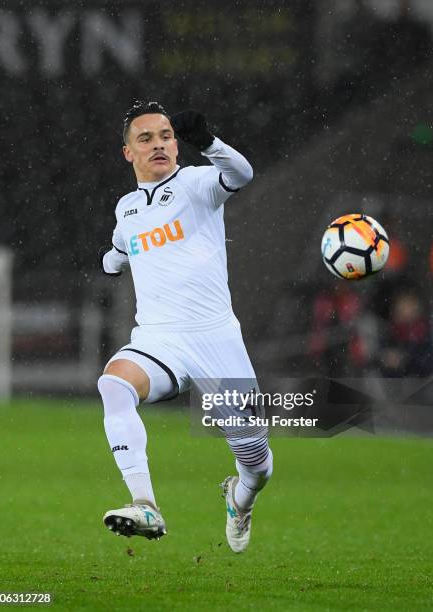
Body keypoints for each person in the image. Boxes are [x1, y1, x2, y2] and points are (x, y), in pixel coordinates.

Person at [97, 101, 273, 553]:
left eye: (166, 136)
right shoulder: (127, 209)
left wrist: (210, 143)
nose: (159, 144)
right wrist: (112, 261)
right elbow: (119, 249)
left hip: (216, 339)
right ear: (127, 153)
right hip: (159, 338)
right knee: (114, 386)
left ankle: (240, 497)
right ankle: (145, 504)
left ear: (177, 144)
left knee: (258, 463)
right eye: (146, 138)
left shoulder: (197, 183)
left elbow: (242, 175)